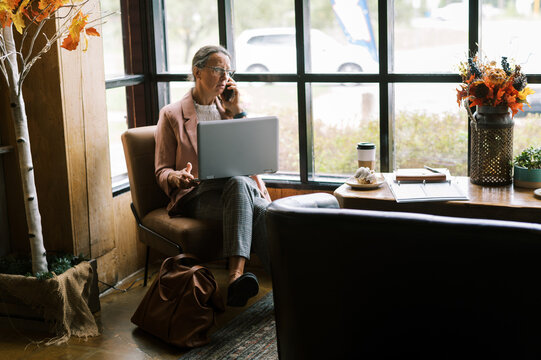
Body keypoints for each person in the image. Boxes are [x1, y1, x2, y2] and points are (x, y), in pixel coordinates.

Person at [154, 45, 272, 307]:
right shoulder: (171, 114)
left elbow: (249, 159)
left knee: (251, 196)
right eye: (218, 69)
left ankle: (239, 282)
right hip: (196, 195)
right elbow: (161, 170)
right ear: (197, 72)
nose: (225, 77)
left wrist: (239, 112)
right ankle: (271, 281)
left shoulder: (229, 110)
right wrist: (176, 177)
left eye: (228, 71)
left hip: (234, 192)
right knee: (259, 205)